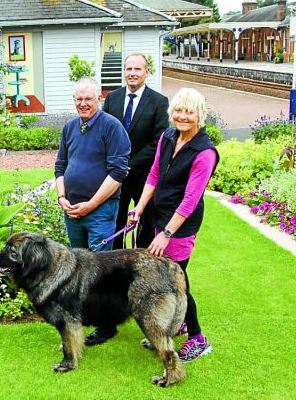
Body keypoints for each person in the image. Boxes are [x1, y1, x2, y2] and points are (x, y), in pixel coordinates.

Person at [130, 87, 219, 363]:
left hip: (180, 227)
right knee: (164, 279)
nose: (182, 116)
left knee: (178, 283)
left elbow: (191, 199)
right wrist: (140, 207)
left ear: (200, 116)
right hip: (159, 216)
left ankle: (198, 338)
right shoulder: (168, 137)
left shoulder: (205, 153)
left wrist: (167, 234)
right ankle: (177, 325)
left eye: (189, 112)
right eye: (178, 110)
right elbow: (154, 173)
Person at [55, 77, 130, 252]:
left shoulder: (112, 127)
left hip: (101, 211)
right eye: (79, 99)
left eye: (88, 99)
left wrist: (91, 205)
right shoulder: (69, 128)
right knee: (78, 266)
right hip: (72, 210)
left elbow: (118, 173)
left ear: (99, 99)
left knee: (99, 269)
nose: (83, 104)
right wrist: (61, 198)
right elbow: (60, 167)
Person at [102, 53, 169, 250]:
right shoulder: (112, 99)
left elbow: (158, 141)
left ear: (147, 72)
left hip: (144, 178)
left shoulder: (159, 102)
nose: (132, 73)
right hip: (115, 178)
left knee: (146, 226)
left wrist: (128, 165)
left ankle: (143, 267)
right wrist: (116, 167)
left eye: (137, 69)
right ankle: (116, 268)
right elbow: (104, 136)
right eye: (129, 69)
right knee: (115, 225)